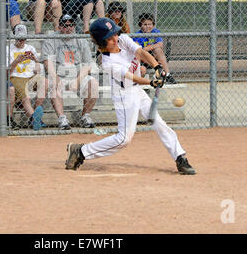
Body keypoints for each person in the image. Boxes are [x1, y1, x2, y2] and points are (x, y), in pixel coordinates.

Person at [64, 17, 196, 175]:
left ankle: (180, 157)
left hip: (137, 90)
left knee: (158, 122)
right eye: (110, 37)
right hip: (124, 95)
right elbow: (131, 77)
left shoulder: (123, 39)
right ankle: (82, 151)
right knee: (123, 139)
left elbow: (140, 52)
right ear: (101, 42)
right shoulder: (108, 63)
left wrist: (158, 67)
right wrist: (151, 83)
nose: (115, 38)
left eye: (115, 34)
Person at [41, 14, 99, 130]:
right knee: (53, 84)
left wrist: (77, 81)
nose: (68, 28)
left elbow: (88, 65)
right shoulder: (52, 39)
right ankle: (62, 119)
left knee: (93, 83)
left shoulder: (81, 40)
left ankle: (85, 116)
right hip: (59, 74)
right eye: (65, 25)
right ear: (59, 27)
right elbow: (47, 61)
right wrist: (55, 77)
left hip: (77, 76)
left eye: (71, 25)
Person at [8, 24, 48, 130]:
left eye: (23, 38)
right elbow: (7, 72)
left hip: (30, 77)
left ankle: (34, 117)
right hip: (16, 77)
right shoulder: (8, 49)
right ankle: (34, 118)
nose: (21, 41)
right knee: (26, 96)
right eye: (19, 38)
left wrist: (36, 62)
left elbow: (37, 71)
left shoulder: (31, 48)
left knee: (44, 82)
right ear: (14, 36)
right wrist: (16, 61)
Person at [133, 13, 177, 84]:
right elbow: (138, 52)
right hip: (143, 60)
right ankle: (137, 85)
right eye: (145, 24)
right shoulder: (137, 35)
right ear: (140, 25)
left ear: (153, 25)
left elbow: (160, 44)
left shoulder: (155, 32)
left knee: (158, 49)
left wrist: (147, 48)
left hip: (154, 57)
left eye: (150, 24)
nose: (147, 27)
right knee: (142, 70)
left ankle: (168, 75)